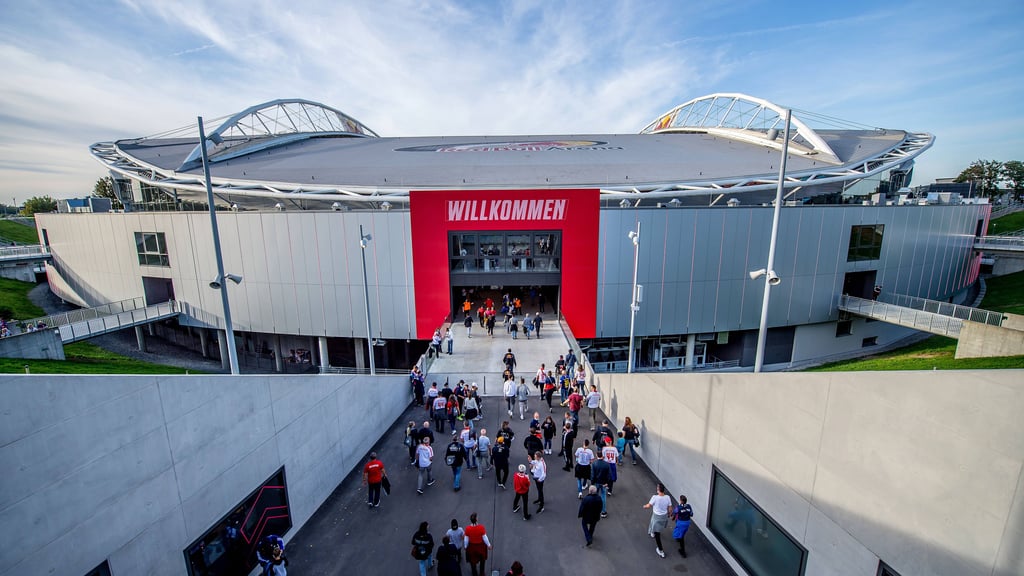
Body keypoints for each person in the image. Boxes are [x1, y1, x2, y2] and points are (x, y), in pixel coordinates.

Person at [644, 482, 672, 558]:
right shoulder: (667, 497)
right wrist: (669, 514)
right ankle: (652, 531)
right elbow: (670, 508)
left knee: (657, 534)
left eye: (657, 488)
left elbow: (648, 505)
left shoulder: (655, 497)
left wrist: (644, 506)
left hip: (657, 516)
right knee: (652, 522)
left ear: (658, 490)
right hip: (663, 516)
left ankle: (661, 550)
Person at [591, 452, 611, 518]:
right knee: (603, 497)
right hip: (603, 483)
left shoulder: (594, 464)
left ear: (597, 456)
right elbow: (609, 475)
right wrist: (607, 483)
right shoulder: (606, 464)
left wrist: (592, 483)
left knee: (594, 496)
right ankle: (603, 511)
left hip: (596, 482)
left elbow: (593, 475)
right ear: (602, 456)